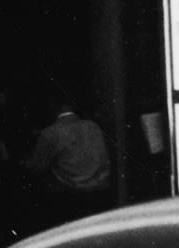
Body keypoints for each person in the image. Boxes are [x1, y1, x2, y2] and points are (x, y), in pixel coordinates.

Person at [20, 90, 112, 228]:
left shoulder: (50, 133)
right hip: (101, 193)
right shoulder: (93, 126)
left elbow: (36, 168)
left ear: (52, 107)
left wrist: (21, 161)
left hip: (72, 198)